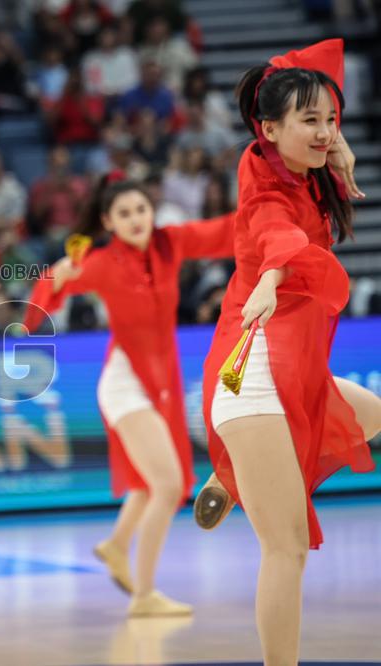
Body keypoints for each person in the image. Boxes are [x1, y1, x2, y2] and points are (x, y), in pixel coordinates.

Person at [198, 39, 379, 665]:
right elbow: (271, 230)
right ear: (267, 129)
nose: (326, 131)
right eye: (312, 121)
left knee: (371, 414)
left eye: (332, 118)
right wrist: (273, 277)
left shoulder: (283, 163)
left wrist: (337, 144)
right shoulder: (267, 188)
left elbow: (314, 69)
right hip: (252, 374)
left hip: (291, 371)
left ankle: (234, 474)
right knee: (288, 549)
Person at [24, 175, 235, 617]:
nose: (136, 219)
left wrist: (279, 220)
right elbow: (43, 299)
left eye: (141, 209)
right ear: (108, 222)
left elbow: (225, 231)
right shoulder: (100, 262)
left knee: (150, 483)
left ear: (152, 210)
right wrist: (58, 277)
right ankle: (143, 595)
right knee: (169, 484)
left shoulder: (169, 244)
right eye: (123, 214)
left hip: (159, 383)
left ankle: (117, 546)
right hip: (125, 384)